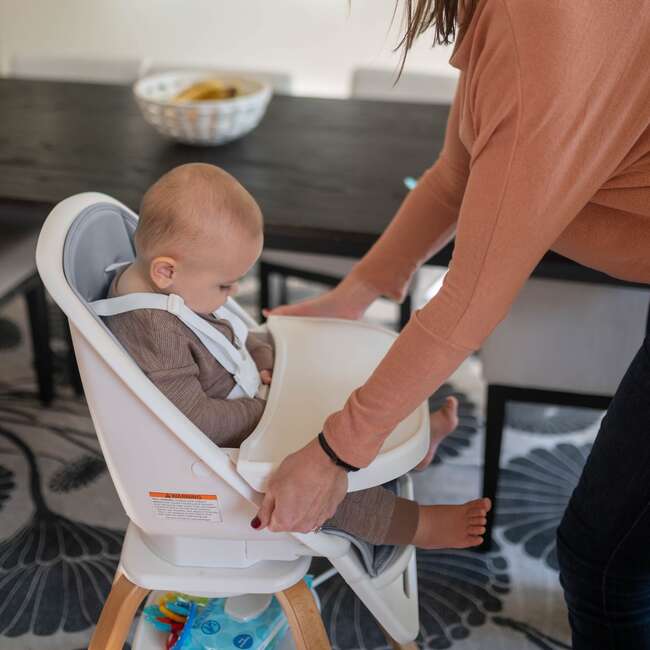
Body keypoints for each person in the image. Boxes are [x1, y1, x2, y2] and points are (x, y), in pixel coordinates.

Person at [254, 1, 650, 647]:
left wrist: (335, 454)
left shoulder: (537, 33)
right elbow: (454, 178)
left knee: (602, 560)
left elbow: (470, 301)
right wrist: (357, 292)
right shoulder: (506, 20)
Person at [93, 162, 491, 550]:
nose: (230, 295)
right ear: (166, 272)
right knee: (311, 472)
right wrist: (259, 409)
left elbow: (223, 337)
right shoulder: (151, 326)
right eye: (225, 284)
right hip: (227, 437)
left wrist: (261, 356)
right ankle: (415, 524)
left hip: (245, 392)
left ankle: (414, 449)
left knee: (337, 396)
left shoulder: (175, 285)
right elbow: (193, 419)